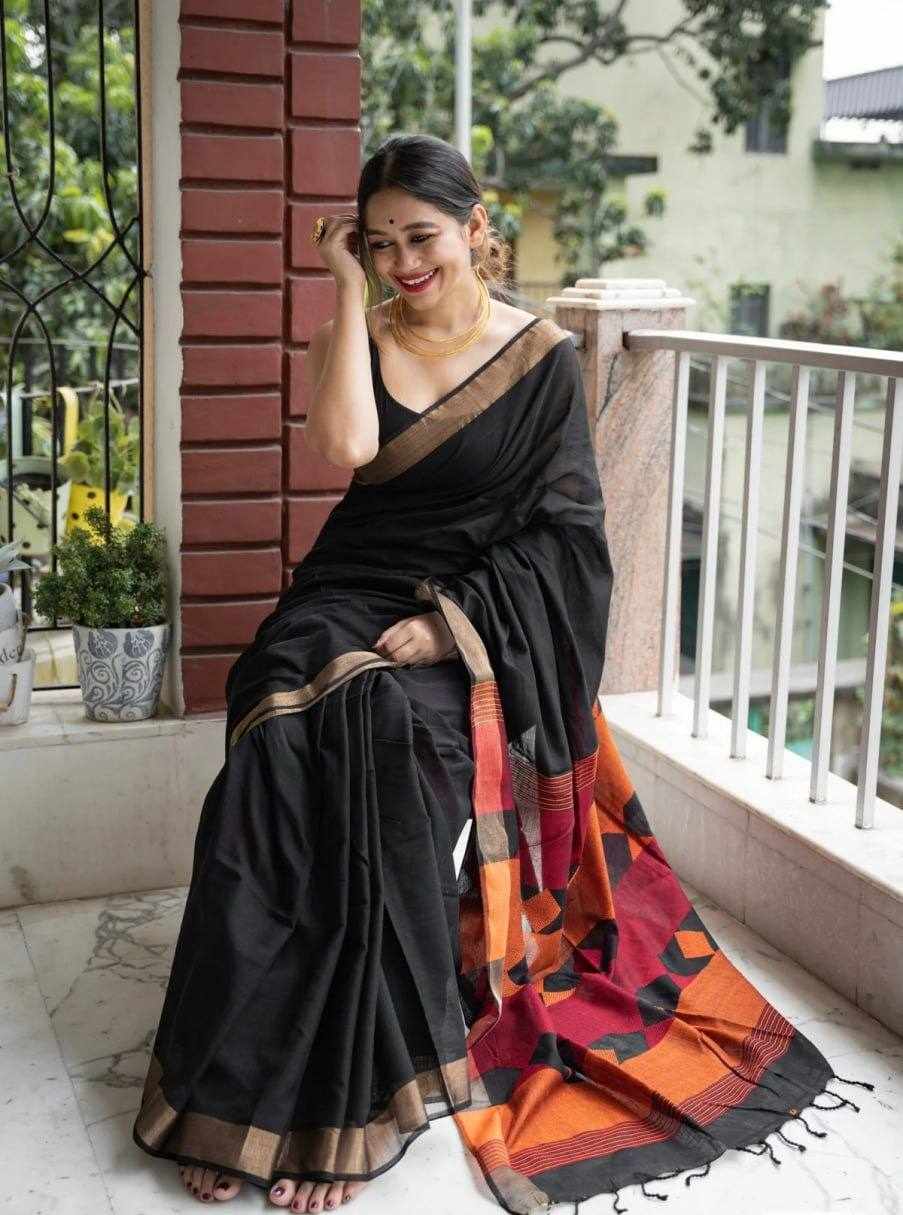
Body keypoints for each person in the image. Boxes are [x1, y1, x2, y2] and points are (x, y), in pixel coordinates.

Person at [132, 133, 869, 1215]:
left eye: (421, 237)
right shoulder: (356, 329)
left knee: (391, 746)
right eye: (379, 243)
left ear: (476, 228)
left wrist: (455, 623)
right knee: (276, 755)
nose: (402, 262)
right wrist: (343, 292)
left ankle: (357, 1085)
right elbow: (343, 449)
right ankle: (240, 1087)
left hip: (463, 620)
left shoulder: (539, 359)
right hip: (341, 598)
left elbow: (568, 535)